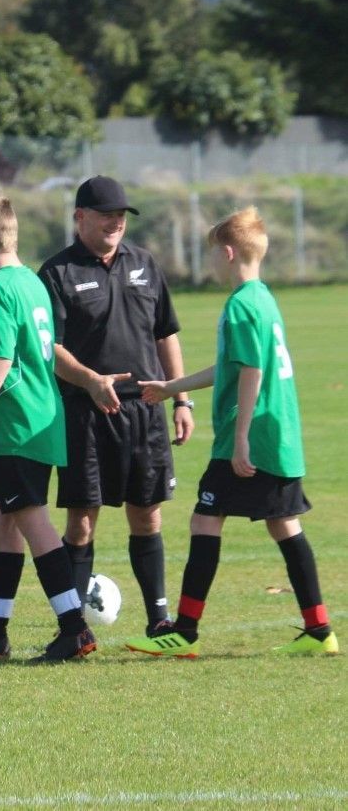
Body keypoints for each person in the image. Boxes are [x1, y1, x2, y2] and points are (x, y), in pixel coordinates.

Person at [125, 207, 336, 658]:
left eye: (211, 257)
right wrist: (172, 387)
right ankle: (319, 631)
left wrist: (239, 440)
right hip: (278, 437)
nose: (210, 265)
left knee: (206, 518)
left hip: (251, 439)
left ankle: (183, 631)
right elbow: (232, 366)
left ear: (227, 252)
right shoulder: (263, 298)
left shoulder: (241, 305)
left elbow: (252, 372)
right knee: (284, 525)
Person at [0, 195, 96, 663]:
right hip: (41, 414)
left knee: (30, 518)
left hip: (20, 425)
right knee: (1, 518)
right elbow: (27, 359)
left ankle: (74, 626)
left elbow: (2, 359)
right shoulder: (31, 282)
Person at [39, 175, 193, 636]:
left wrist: (181, 397)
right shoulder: (57, 273)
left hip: (146, 411)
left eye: (121, 217)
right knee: (82, 522)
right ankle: (72, 628)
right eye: (106, 216)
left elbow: (166, 334)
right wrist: (89, 380)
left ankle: (158, 619)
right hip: (86, 414)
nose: (115, 224)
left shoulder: (144, 264)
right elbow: (50, 348)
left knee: (147, 514)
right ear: (80, 217)